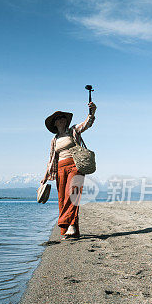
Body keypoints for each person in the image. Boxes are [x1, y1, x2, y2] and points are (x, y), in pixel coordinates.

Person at [40, 100, 97, 240]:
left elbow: (86, 124)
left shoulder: (73, 130)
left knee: (72, 193)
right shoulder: (54, 140)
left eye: (63, 118)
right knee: (62, 198)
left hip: (75, 165)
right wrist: (45, 176)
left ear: (66, 121)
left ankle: (65, 223)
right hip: (60, 168)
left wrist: (92, 112)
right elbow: (52, 158)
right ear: (54, 123)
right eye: (58, 119)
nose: (61, 120)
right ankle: (70, 230)